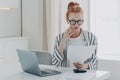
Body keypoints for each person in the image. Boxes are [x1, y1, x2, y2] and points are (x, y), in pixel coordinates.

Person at [52, 2, 98, 70]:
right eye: (73, 21)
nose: (76, 25)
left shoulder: (91, 37)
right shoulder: (59, 38)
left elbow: (95, 62)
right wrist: (63, 41)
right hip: (64, 76)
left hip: (83, 75)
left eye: (79, 21)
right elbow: (54, 63)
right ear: (67, 20)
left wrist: (85, 66)